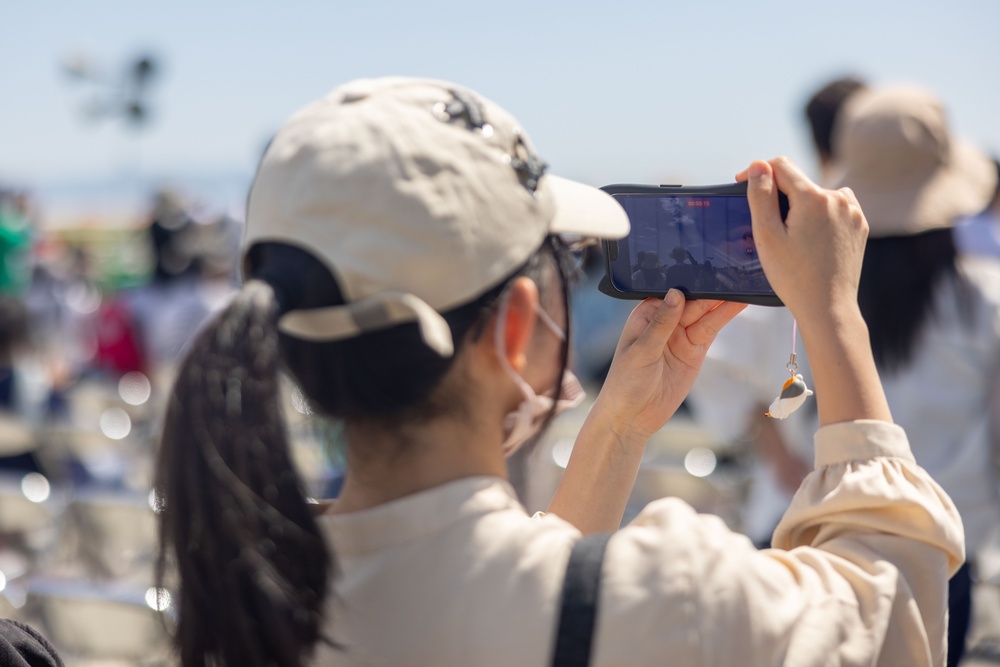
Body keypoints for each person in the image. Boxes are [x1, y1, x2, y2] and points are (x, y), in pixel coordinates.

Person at [155, 77, 963, 667]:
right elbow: (892, 605)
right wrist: (831, 315)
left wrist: (618, 429)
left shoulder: (242, 602)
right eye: (560, 271)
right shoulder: (671, 598)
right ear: (514, 329)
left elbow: (517, 594)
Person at [832, 83, 1000, 667]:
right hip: (946, 543)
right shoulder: (984, 297)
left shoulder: (816, 296)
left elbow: (752, 387)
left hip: (825, 536)